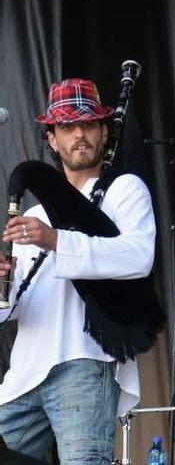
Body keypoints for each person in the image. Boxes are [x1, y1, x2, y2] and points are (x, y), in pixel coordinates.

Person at [0, 78, 157, 463]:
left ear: (105, 132)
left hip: (85, 363)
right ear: (52, 140)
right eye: (68, 127)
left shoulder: (124, 190)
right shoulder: (33, 215)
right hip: (25, 371)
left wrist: (55, 240)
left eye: (88, 125)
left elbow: (138, 257)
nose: (80, 135)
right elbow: (11, 309)